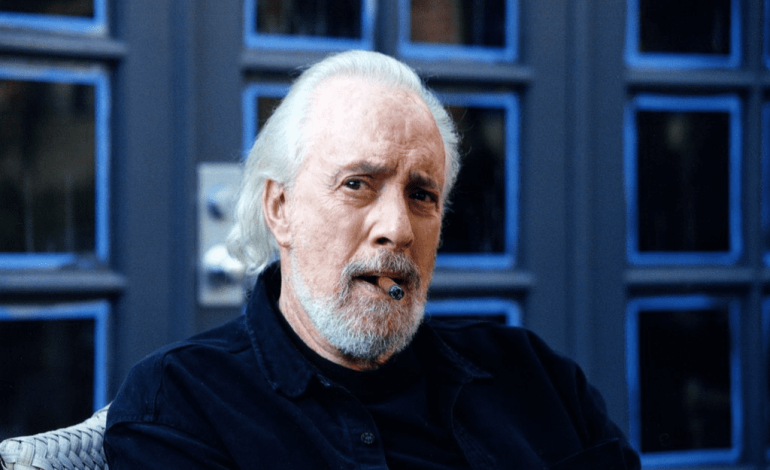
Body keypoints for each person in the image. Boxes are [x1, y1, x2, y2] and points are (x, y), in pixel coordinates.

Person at [104, 50, 641, 469]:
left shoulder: (536, 377)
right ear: (280, 207)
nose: (398, 229)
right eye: (358, 184)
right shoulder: (180, 405)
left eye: (422, 195)